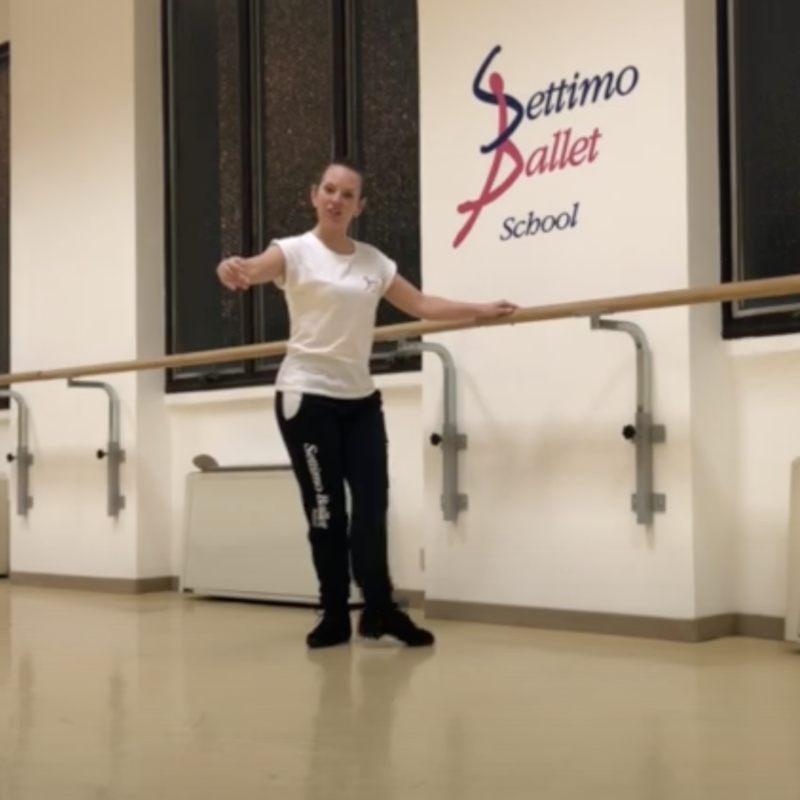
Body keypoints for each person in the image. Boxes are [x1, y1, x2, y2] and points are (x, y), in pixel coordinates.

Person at [216, 158, 517, 649]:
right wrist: (231, 269)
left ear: (360, 206)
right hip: (306, 398)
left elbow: (422, 305)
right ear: (314, 195)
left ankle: (380, 611)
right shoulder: (293, 251)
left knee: (373, 508)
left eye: (348, 194)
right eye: (329, 190)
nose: (336, 200)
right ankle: (334, 613)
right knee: (327, 511)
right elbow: (249, 268)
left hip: (360, 401)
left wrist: (480, 310)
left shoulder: (374, 262)